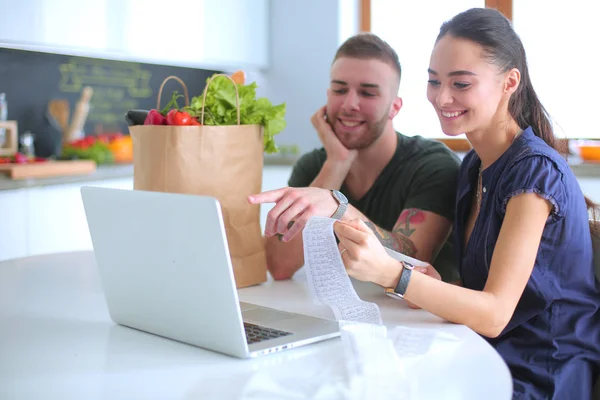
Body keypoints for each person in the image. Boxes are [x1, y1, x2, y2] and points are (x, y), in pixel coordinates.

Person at [330, 8, 600, 399]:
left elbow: (494, 313)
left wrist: (394, 275)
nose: (442, 97)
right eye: (434, 81)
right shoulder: (474, 164)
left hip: (541, 372)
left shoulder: (535, 174)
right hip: (484, 351)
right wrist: (429, 284)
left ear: (510, 82)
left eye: (461, 83)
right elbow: (485, 292)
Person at [249, 32, 462, 283]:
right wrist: (337, 163)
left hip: (420, 319)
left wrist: (336, 207)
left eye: (367, 93)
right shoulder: (314, 166)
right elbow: (280, 266)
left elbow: (410, 260)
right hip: (348, 315)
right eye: (340, 90)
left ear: (395, 107)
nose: (350, 104)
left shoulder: (433, 165)